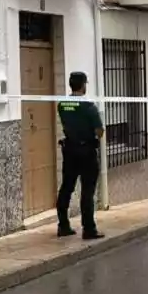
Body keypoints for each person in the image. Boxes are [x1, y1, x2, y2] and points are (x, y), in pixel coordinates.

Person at [56, 71, 105, 240]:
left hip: (69, 151)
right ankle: (89, 229)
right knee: (87, 191)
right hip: (86, 152)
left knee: (66, 188)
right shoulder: (89, 107)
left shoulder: (63, 105)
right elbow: (99, 132)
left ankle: (63, 225)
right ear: (84, 85)